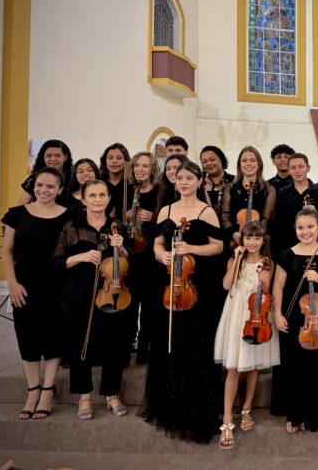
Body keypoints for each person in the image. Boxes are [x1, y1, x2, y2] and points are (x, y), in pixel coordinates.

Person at [143, 161, 224, 443]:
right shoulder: (165, 210)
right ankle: (170, 405)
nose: (184, 182)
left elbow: (219, 246)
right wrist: (161, 254)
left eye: (190, 177)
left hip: (198, 288)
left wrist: (191, 248)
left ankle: (195, 409)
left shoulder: (206, 211)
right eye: (180, 178)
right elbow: (156, 242)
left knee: (194, 347)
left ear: (200, 181)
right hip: (169, 286)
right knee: (170, 343)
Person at [52, 179, 132, 420]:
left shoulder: (117, 227)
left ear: (109, 198)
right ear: (83, 199)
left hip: (112, 292)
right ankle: (84, 396)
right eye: (93, 195)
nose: (98, 199)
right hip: (78, 293)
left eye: (102, 195)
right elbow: (56, 263)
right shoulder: (70, 226)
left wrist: (123, 248)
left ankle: (112, 394)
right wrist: (81, 256)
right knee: (80, 344)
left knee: (113, 344)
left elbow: (130, 264)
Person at [1, 167, 70, 419]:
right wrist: (12, 283)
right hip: (24, 283)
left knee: (53, 334)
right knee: (26, 334)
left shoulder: (68, 215)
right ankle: (33, 389)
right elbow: (7, 251)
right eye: (40, 185)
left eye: (50, 186)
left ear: (60, 190)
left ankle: (48, 389)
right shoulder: (17, 214)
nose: (43, 190)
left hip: (56, 283)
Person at [270, 208, 318, 432]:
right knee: (295, 364)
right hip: (295, 317)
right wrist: (277, 313)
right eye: (301, 227)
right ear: (295, 229)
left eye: (310, 227)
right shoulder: (286, 254)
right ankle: (296, 413)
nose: (305, 231)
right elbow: (278, 286)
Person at [214, 222, 280, 448]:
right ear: (242, 240)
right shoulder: (235, 260)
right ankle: (226, 418)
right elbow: (225, 285)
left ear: (263, 240)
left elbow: (268, 293)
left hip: (256, 316)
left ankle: (247, 409)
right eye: (248, 238)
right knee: (232, 368)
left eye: (257, 238)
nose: (252, 242)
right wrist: (236, 258)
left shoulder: (268, 264)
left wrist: (264, 281)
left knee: (253, 365)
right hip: (235, 314)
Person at [126, 152, 161, 365]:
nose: (140, 169)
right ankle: (129, 342)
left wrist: (153, 217)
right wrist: (127, 216)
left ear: (152, 169)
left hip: (150, 255)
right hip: (129, 254)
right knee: (130, 303)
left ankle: (145, 347)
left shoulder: (159, 191)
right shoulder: (128, 191)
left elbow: (166, 218)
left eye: (145, 166)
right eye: (137, 165)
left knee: (149, 304)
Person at [221, 146, 276, 249]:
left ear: (259, 164)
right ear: (240, 165)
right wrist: (234, 234)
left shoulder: (268, 189)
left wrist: (253, 237)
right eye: (244, 161)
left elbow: (266, 219)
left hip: (259, 240)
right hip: (234, 241)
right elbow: (225, 216)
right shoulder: (230, 189)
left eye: (252, 160)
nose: (248, 164)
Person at [271, 153, 318, 253]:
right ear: (289, 170)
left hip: (314, 245)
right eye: (293, 167)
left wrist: (316, 213)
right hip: (288, 245)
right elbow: (278, 222)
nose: (297, 171)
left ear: (308, 168)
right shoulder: (283, 193)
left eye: (301, 167)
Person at [17, 139, 73, 206]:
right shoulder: (34, 178)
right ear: (43, 157)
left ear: (65, 157)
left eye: (57, 155)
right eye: (48, 155)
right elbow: (20, 207)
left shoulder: (74, 178)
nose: (52, 159)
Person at [99, 143, 131, 220]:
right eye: (110, 158)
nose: (114, 161)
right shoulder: (98, 183)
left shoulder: (132, 184)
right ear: (105, 161)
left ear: (126, 161)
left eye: (119, 158)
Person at [200, 145, 234, 216]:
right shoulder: (199, 184)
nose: (208, 163)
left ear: (221, 159)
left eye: (212, 159)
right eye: (204, 161)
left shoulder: (235, 180)